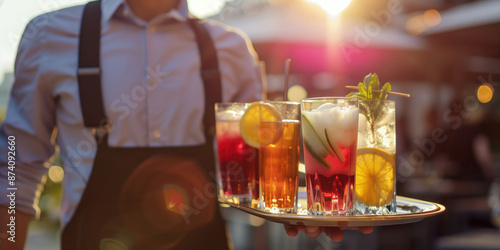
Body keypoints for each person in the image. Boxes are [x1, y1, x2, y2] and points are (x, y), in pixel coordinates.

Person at [0, 0, 371, 249]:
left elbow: (260, 159)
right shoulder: (50, 35)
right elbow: (15, 164)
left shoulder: (231, 48)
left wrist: (310, 204)